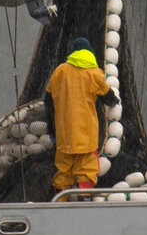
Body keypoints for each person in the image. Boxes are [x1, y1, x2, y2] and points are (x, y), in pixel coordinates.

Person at [43, 38, 112, 192]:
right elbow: (108, 96)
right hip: (86, 136)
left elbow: (48, 100)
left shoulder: (60, 71)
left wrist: (52, 128)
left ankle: (61, 201)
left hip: (64, 135)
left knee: (63, 172)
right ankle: (84, 200)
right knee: (87, 171)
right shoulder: (94, 73)